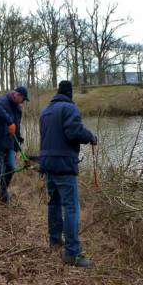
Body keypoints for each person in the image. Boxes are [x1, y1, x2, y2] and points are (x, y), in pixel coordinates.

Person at [39, 80, 97, 268]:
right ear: (70, 94)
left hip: (48, 164)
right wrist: (91, 137)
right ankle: (72, 253)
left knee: (54, 203)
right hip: (64, 165)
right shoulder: (70, 108)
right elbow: (74, 132)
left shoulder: (46, 111)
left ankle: (55, 241)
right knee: (71, 207)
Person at [0, 86, 29, 204]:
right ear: (17, 95)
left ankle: (3, 190)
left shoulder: (18, 109)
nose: (23, 102)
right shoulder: (2, 101)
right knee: (0, 168)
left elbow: (16, 127)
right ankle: (3, 199)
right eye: (23, 99)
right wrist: (10, 121)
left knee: (12, 167)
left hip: (9, 143)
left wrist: (18, 142)